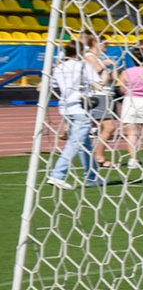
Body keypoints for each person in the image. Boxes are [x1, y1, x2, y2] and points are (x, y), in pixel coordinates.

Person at [44, 30, 103, 189]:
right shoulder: (83, 66)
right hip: (80, 108)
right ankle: (58, 174)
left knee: (84, 144)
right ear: (81, 52)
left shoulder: (59, 67)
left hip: (65, 109)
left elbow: (52, 86)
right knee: (75, 143)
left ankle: (93, 176)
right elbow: (98, 83)